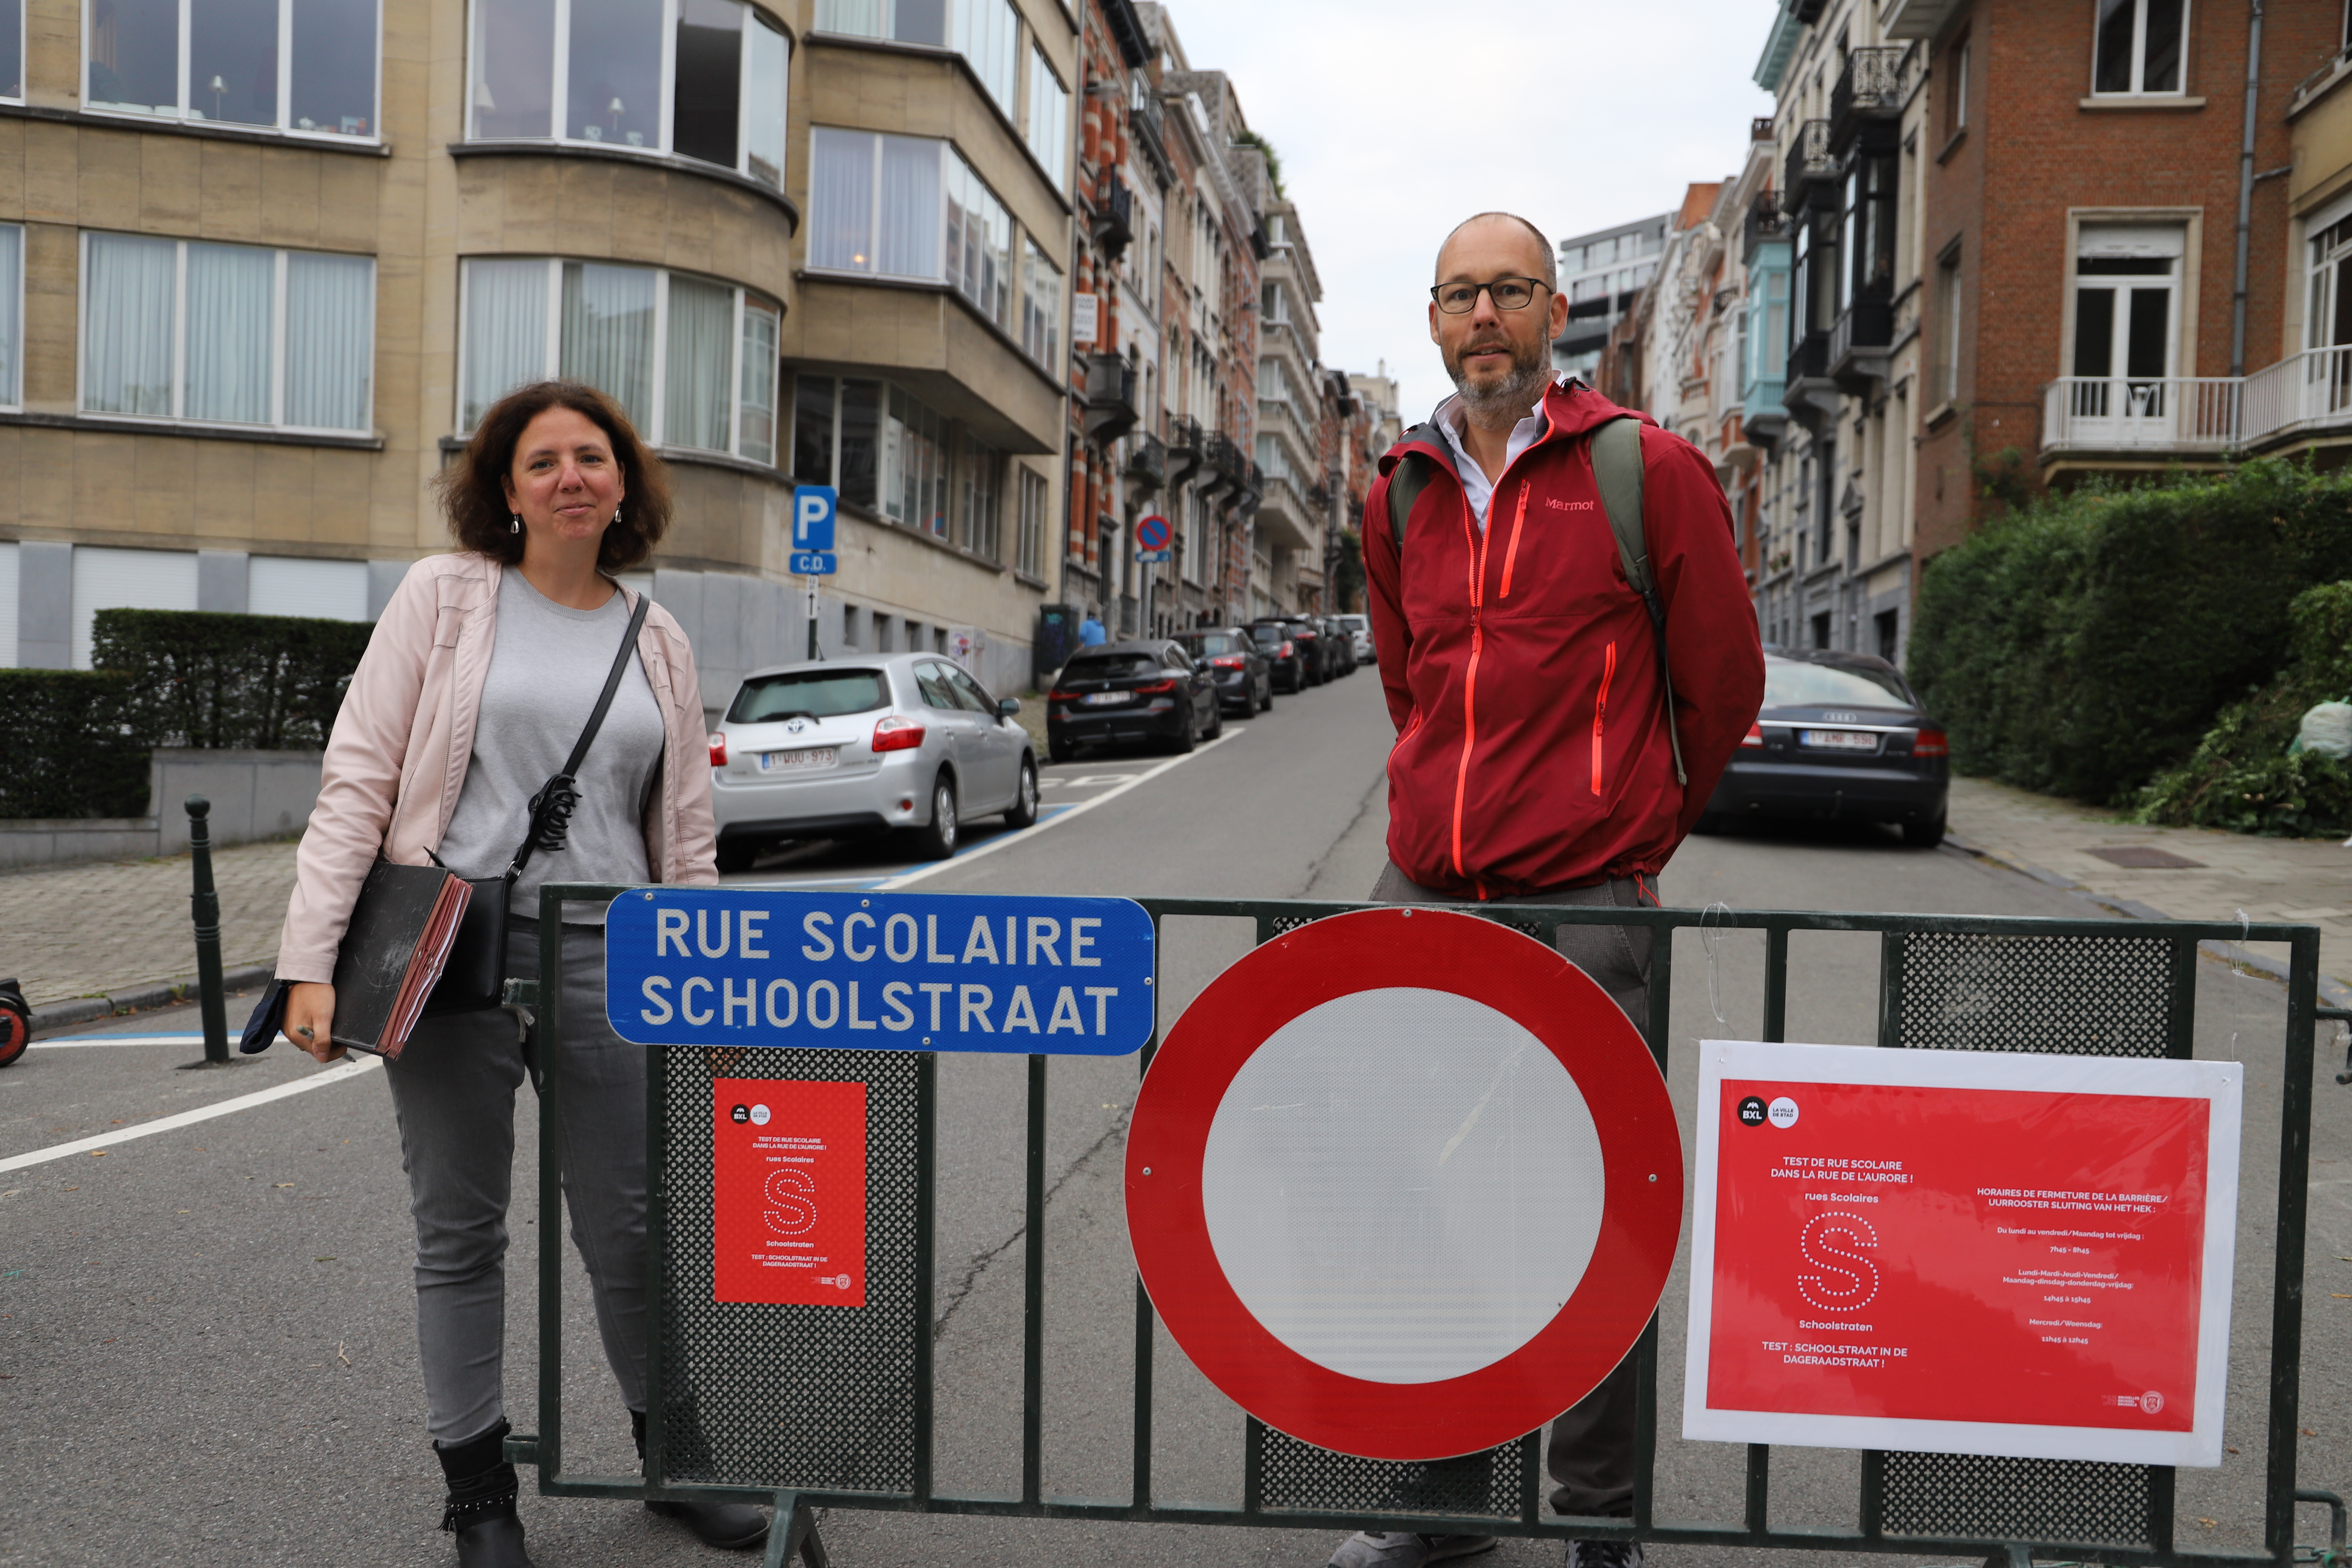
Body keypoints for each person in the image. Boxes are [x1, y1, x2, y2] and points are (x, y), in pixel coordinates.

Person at [1331, 214, 1764, 1568]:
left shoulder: (1645, 469)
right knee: (1425, 1204)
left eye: (1509, 292)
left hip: (1589, 899)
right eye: (1460, 295)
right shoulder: (1397, 490)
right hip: (1430, 895)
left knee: (1588, 1208)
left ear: (1557, 310)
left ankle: (1598, 1521)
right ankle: (1445, 1509)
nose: (1484, 319)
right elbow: (1412, 689)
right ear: (1434, 317)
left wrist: (1628, 843)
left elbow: (1724, 686)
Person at [271, 381, 760, 1567]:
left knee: (634, 1228)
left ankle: (673, 1459)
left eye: (592, 458)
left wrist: (704, 986)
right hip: (449, 954)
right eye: (542, 462)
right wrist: (309, 961)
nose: (570, 478)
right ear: (506, 489)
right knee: (460, 1232)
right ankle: (480, 1494)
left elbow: (687, 838)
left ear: (624, 486)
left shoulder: (658, 635)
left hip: (613, 955)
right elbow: (361, 780)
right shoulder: (446, 598)